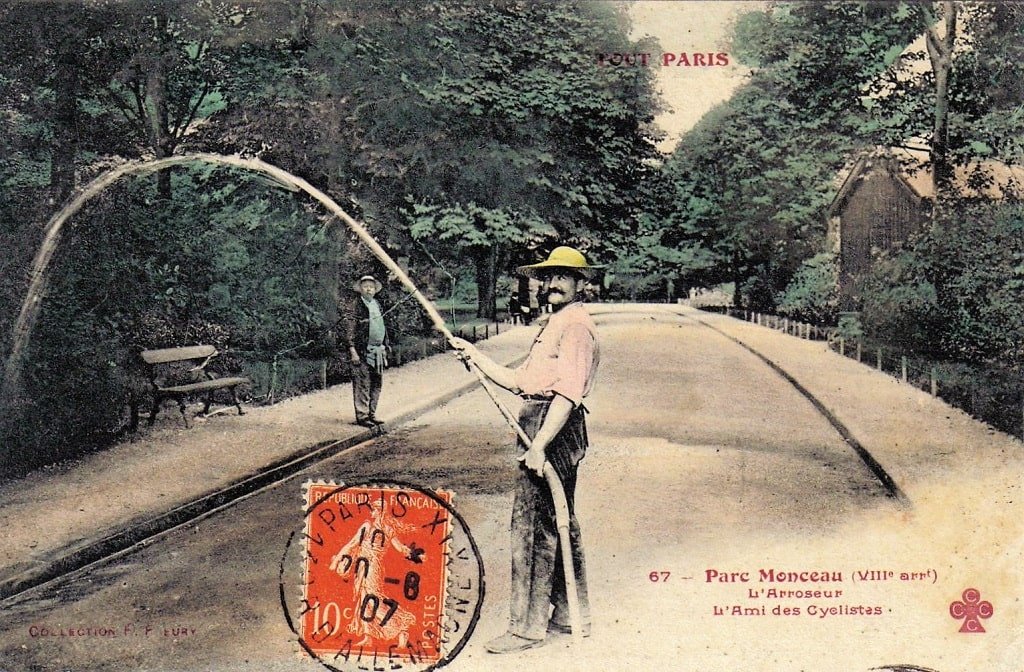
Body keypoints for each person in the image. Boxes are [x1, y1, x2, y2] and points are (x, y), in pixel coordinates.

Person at [449, 246, 600, 654]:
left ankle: (526, 628)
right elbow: (523, 381)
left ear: (581, 283)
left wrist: (540, 445)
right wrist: (476, 357)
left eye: (563, 277)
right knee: (556, 519)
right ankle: (570, 613)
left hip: (553, 427)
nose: (552, 283)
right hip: (541, 420)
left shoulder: (576, 327)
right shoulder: (557, 321)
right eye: (548, 276)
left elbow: (567, 393)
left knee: (532, 526)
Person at [341, 274, 389, 428]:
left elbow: (382, 326)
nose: (369, 289)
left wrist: (386, 344)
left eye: (371, 287)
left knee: (376, 382)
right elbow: (349, 329)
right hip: (362, 351)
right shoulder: (355, 306)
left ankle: (372, 414)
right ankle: (362, 416)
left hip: (378, 351)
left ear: (375, 290)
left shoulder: (377, 304)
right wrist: (352, 349)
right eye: (365, 286)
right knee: (363, 383)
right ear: (360, 289)